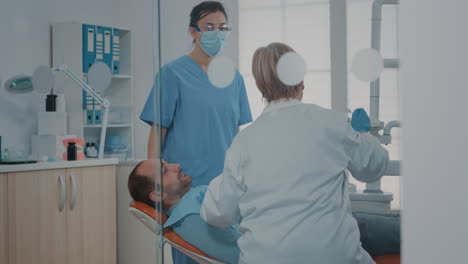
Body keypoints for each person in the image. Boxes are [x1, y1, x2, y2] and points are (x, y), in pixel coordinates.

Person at [200, 42, 390, 264]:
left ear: (261, 88)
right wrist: (364, 134)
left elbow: (219, 214)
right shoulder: (330, 123)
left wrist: (218, 183)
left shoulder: (244, 142)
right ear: (301, 80)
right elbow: (375, 166)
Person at [139, 1, 252, 263]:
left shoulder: (234, 78)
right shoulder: (172, 74)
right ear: (193, 32)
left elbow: (236, 134)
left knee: (233, 255)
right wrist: (159, 183)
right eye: (209, 27)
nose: (217, 33)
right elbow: (158, 131)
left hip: (227, 186)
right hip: (187, 191)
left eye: (223, 28)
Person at [128, 160, 400, 264]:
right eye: (165, 170)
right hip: (317, 236)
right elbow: (242, 255)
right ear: (158, 195)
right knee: (412, 231)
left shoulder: (195, 200)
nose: (175, 165)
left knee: (403, 222)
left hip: (315, 223)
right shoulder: (190, 220)